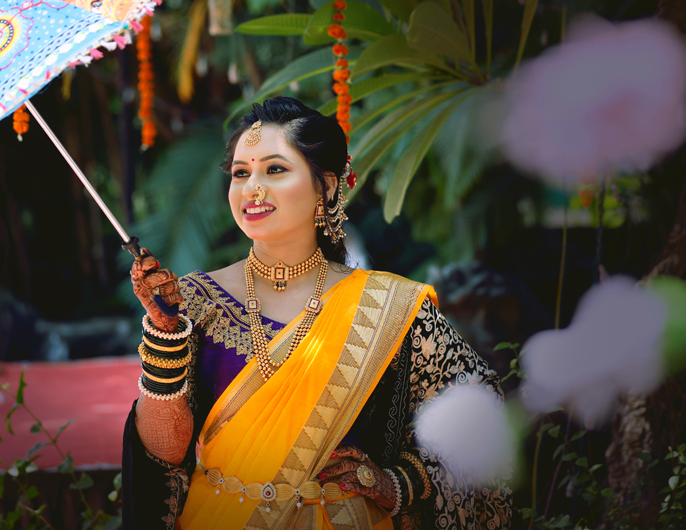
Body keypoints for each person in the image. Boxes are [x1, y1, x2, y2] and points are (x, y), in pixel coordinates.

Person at [122, 97, 512, 529]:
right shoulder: (193, 301)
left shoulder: (388, 306)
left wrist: (398, 484)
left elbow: (479, 410)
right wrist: (164, 333)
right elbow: (164, 453)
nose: (252, 188)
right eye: (240, 173)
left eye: (274, 169)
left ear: (325, 186)